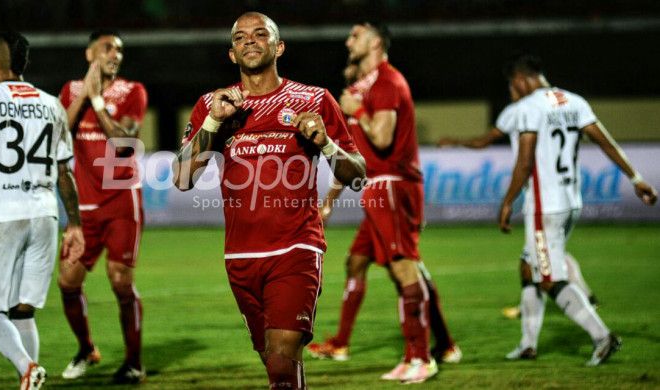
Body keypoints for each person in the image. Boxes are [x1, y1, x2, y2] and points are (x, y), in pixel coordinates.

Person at [173, 12, 365, 389]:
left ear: (278, 47)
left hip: (296, 248)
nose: (250, 41)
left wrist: (325, 143)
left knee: (281, 360)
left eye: (260, 34)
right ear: (231, 54)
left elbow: (357, 174)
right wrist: (213, 123)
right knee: (279, 367)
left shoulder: (314, 99)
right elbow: (181, 178)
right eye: (240, 37)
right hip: (240, 257)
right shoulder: (214, 105)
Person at [498, 54, 657, 365]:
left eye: (512, 84)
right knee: (528, 265)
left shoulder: (530, 107)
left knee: (548, 277)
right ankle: (528, 344)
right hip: (571, 202)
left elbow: (525, 161)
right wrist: (636, 178)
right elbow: (605, 141)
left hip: (545, 207)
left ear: (520, 79)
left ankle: (602, 337)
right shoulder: (574, 101)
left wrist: (507, 202)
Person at [308, 49, 460, 371]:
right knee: (357, 262)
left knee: (404, 268)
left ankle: (429, 352)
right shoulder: (349, 106)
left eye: (354, 64)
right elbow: (350, 161)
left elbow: (383, 140)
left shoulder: (375, 95)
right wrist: (330, 201)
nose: (349, 70)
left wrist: (359, 109)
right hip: (374, 194)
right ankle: (342, 343)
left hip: (389, 190)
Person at [0, 31, 85, 390]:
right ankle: (31, 380)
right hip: (44, 215)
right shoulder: (52, 104)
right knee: (23, 309)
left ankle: (27, 368)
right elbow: (64, 172)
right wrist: (76, 225)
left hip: (2, 214)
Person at [437, 87, 599, 321]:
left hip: (543, 197)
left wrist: (457, 142)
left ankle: (592, 327)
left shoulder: (519, 110)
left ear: (518, 82)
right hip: (568, 193)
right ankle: (578, 301)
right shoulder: (559, 106)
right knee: (549, 253)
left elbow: (489, 141)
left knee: (534, 262)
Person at [56, 29, 148, 384]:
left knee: (120, 281)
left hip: (122, 202)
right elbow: (61, 128)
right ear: (89, 52)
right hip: (83, 208)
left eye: (119, 49)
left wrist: (98, 103)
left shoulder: (132, 91)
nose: (115, 54)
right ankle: (86, 349)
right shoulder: (69, 91)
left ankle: (134, 362)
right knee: (67, 281)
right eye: (107, 47)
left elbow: (124, 144)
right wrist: (87, 93)